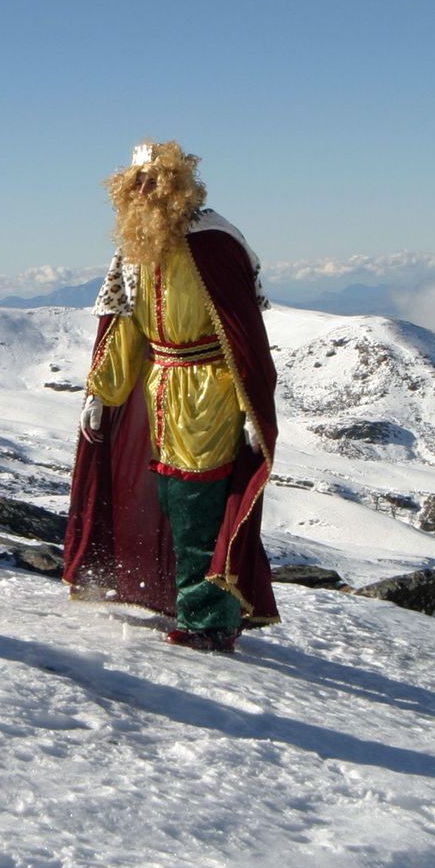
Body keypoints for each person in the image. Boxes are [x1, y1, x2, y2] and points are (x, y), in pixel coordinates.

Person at [63, 141, 279, 651]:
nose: (147, 193)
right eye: (137, 184)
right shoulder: (134, 251)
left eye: (157, 182)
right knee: (168, 500)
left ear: (180, 185)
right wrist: (102, 393)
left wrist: (253, 404)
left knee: (199, 503)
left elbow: (243, 331)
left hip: (212, 392)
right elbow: (124, 328)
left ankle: (210, 620)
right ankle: (187, 603)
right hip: (160, 392)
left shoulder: (214, 241)